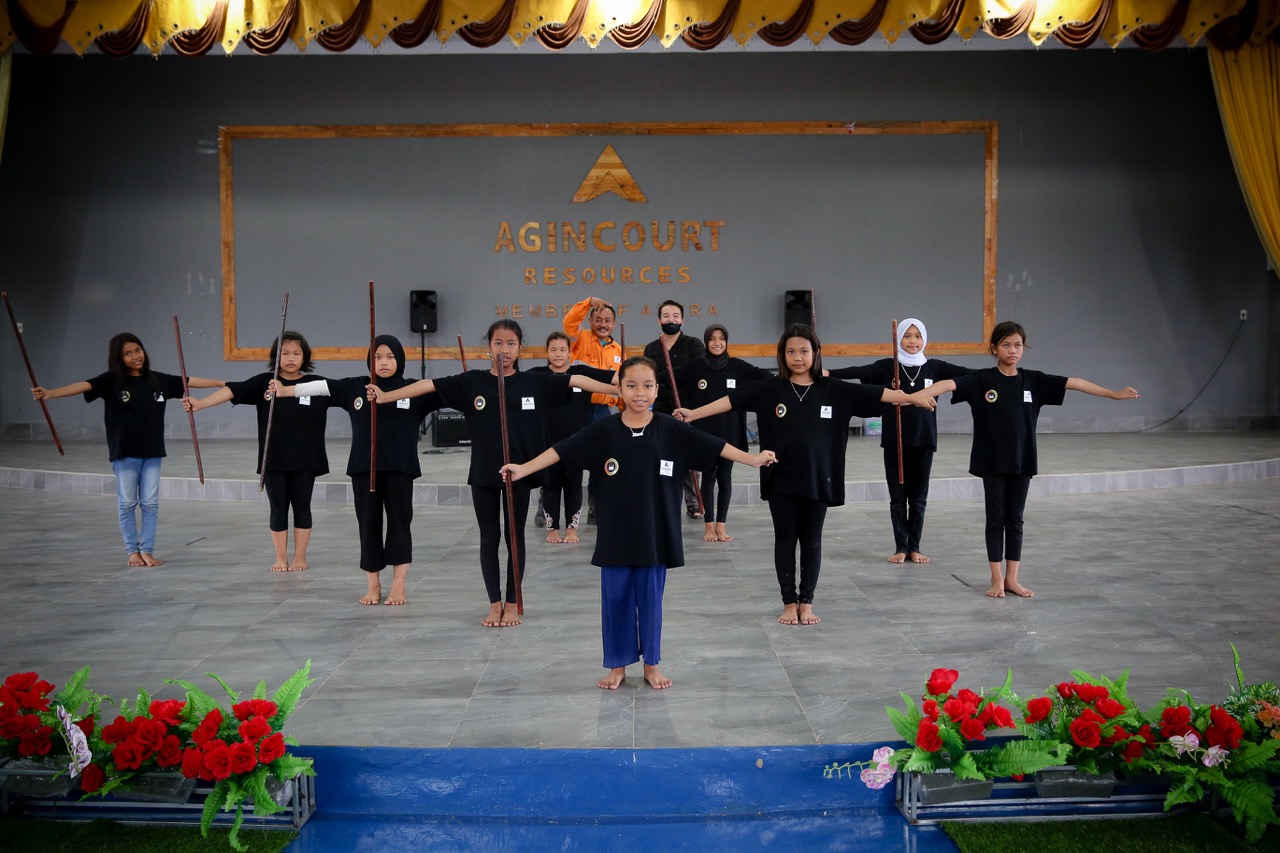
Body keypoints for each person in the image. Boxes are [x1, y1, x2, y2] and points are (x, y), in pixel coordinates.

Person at [500, 356, 777, 690]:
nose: (639, 393)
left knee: (650, 602)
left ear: (657, 389)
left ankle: (651, 664)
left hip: (654, 534)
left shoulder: (670, 429)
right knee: (614, 601)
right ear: (619, 389)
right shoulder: (604, 430)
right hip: (615, 533)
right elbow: (562, 450)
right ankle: (617, 665)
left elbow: (715, 446)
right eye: (631, 385)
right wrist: (524, 468)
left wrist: (753, 459)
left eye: (647, 385)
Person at [674, 324, 932, 626]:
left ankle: (806, 602)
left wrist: (913, 398)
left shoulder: (833, 388)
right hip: (780, 477)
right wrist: (693, 413)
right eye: (791, 351)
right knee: (784, 540)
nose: (798, 357)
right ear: (783, 356)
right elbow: (731, 401)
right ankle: (788, 602)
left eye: (804, 351)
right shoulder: (770, 389)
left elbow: (880, 393)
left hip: (819, 477)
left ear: (816, 354)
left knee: (811, 541)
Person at [370, 320, 617, 628]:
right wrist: (385, 396)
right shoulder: (472, 382)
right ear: (489, 346)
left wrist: (615, 387)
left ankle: (512, 603)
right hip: (484, 474)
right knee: (489, 538)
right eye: (498, 343)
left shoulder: (534, 382)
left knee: (515, 539)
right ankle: (494, 603)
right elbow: (429, 385)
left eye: (511, 343)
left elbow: (575, 380)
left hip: (520, 474)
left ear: (519, 348)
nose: (504, 349)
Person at [906, 320, 1140, 599]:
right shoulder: (981, 380)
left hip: (1022, 461)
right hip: (992, 462)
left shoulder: (1034, 381)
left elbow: (1074, 383)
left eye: (1017, 345)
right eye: (1006, 345)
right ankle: (995, 578)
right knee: (995, 520)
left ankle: (1012, 579)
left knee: (1015, 520)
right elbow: (946, 385)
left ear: (1023, 348)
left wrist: (1114, 395)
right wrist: (915, 397)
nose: (1012, 350)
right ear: (994, 348)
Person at [271, 335, 439, 606]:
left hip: (400, 468)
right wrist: (286, 390)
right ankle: (373, 584)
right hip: (364, 468)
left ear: (400, 359)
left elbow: (448, 391)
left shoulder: (413, 389)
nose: (384, 363)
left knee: (399, 524)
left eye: (390, 357)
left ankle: (399, 585)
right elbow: (320, 388)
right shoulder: (355, 387)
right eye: (378, 357)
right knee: (368, 526)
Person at [31, 332, 224, 567]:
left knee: (150, 503)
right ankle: (132, 551)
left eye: (138, 350)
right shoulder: (112, 380)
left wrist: (224, 384)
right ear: (118, 358)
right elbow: (83, 385)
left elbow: (189, 380)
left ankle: (147, 550)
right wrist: (50, 393)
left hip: (153, 453)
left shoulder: (157, 380)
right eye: (128, 353)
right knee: (127, 502)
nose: (135, 356)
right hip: (124, 453)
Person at [184, 331, 332, 572]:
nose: (290, 358)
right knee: (278, 508)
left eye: (296, 353)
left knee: (302, 507)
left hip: (306, 459)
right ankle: (281, 557)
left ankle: (300, 557)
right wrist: (200, 404)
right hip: (273, 459)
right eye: (285, 353)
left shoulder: (314, 385)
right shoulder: (265, 382)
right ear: (276, 356)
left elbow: (345, 393)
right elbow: (232, 390)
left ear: (305, 357)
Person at [827, 318, 969, 564]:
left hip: (923, 441)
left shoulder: (935, 367)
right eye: (907, 336)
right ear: (898, 339)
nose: (912, 341)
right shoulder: (887, 367)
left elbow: (970, 376)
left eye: (917, 336)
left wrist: (998, 373)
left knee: (918, 498)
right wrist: (828, 373)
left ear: (924, 339)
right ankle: (901, 547)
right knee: (897, 497)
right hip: (895, 442)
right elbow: (858, 372)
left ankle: (915, 546)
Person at [676, 324, 773, 542]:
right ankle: (708, 526)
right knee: (708, 479)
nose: (717, 343)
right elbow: (668, 378)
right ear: (706, 342)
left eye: (721, 338)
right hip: (704, 434)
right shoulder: (695, 367)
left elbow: (766, 377)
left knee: (725, 479)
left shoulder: (738, 367)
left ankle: (721, 526)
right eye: (712, 339)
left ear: (727, 341)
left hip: (730, 432)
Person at [528, 331, 616, 543]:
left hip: (576, 444)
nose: (558, 354)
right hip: (548, 443)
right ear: (547, 352)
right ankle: (552, 530)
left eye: (562, 350)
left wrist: (630, 379)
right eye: (553, 350)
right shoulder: (536, 375)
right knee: (550, 487)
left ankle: (571, 530)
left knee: (574, 485)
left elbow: (608, 377)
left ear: (570, 352)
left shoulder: (581, 372)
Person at [642, 299, 706, 518]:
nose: (671, 320)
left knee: (689, 455)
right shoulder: (651, 348)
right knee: (663, 454)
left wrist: (672, 377)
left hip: (688, 407)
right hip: (660, 410)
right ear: (659, 320)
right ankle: (664, 497)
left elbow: (699, 373)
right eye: (666, 316)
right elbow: (649, 379)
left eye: (676, 316)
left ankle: (694, 502)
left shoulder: (694, 344)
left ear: (683, 319)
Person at [563, 296, 623, 523]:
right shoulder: (580, 338)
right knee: (567, 455)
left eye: (608, 320)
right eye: (598, 319)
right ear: (590, 321)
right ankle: (546, 507)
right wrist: (588, 302)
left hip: (602, 413)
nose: (603, 324)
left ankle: (595, 508)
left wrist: (623, 409)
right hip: (576, 408)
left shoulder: (619, 350)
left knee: (602, 461)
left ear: (614, 324)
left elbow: (620, 385)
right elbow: (569, 322)